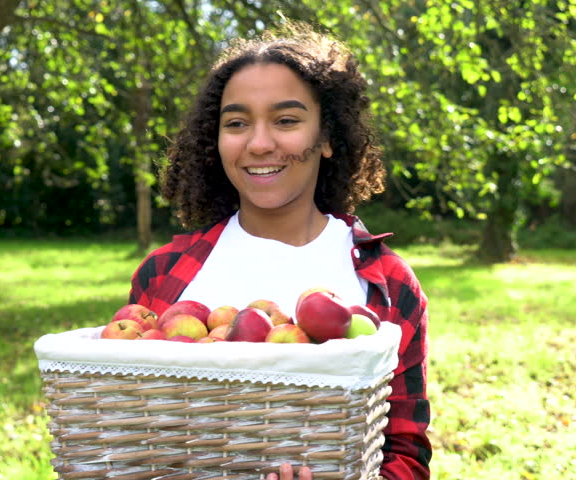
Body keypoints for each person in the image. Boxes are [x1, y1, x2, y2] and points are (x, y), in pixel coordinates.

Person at [128, 22, 431, 480]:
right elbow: (129, 427)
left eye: (286, 120)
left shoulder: (387, 285)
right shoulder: (164, 275)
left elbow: (406, 450)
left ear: (327, 138)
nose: (259, 143)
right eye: (236, 123)